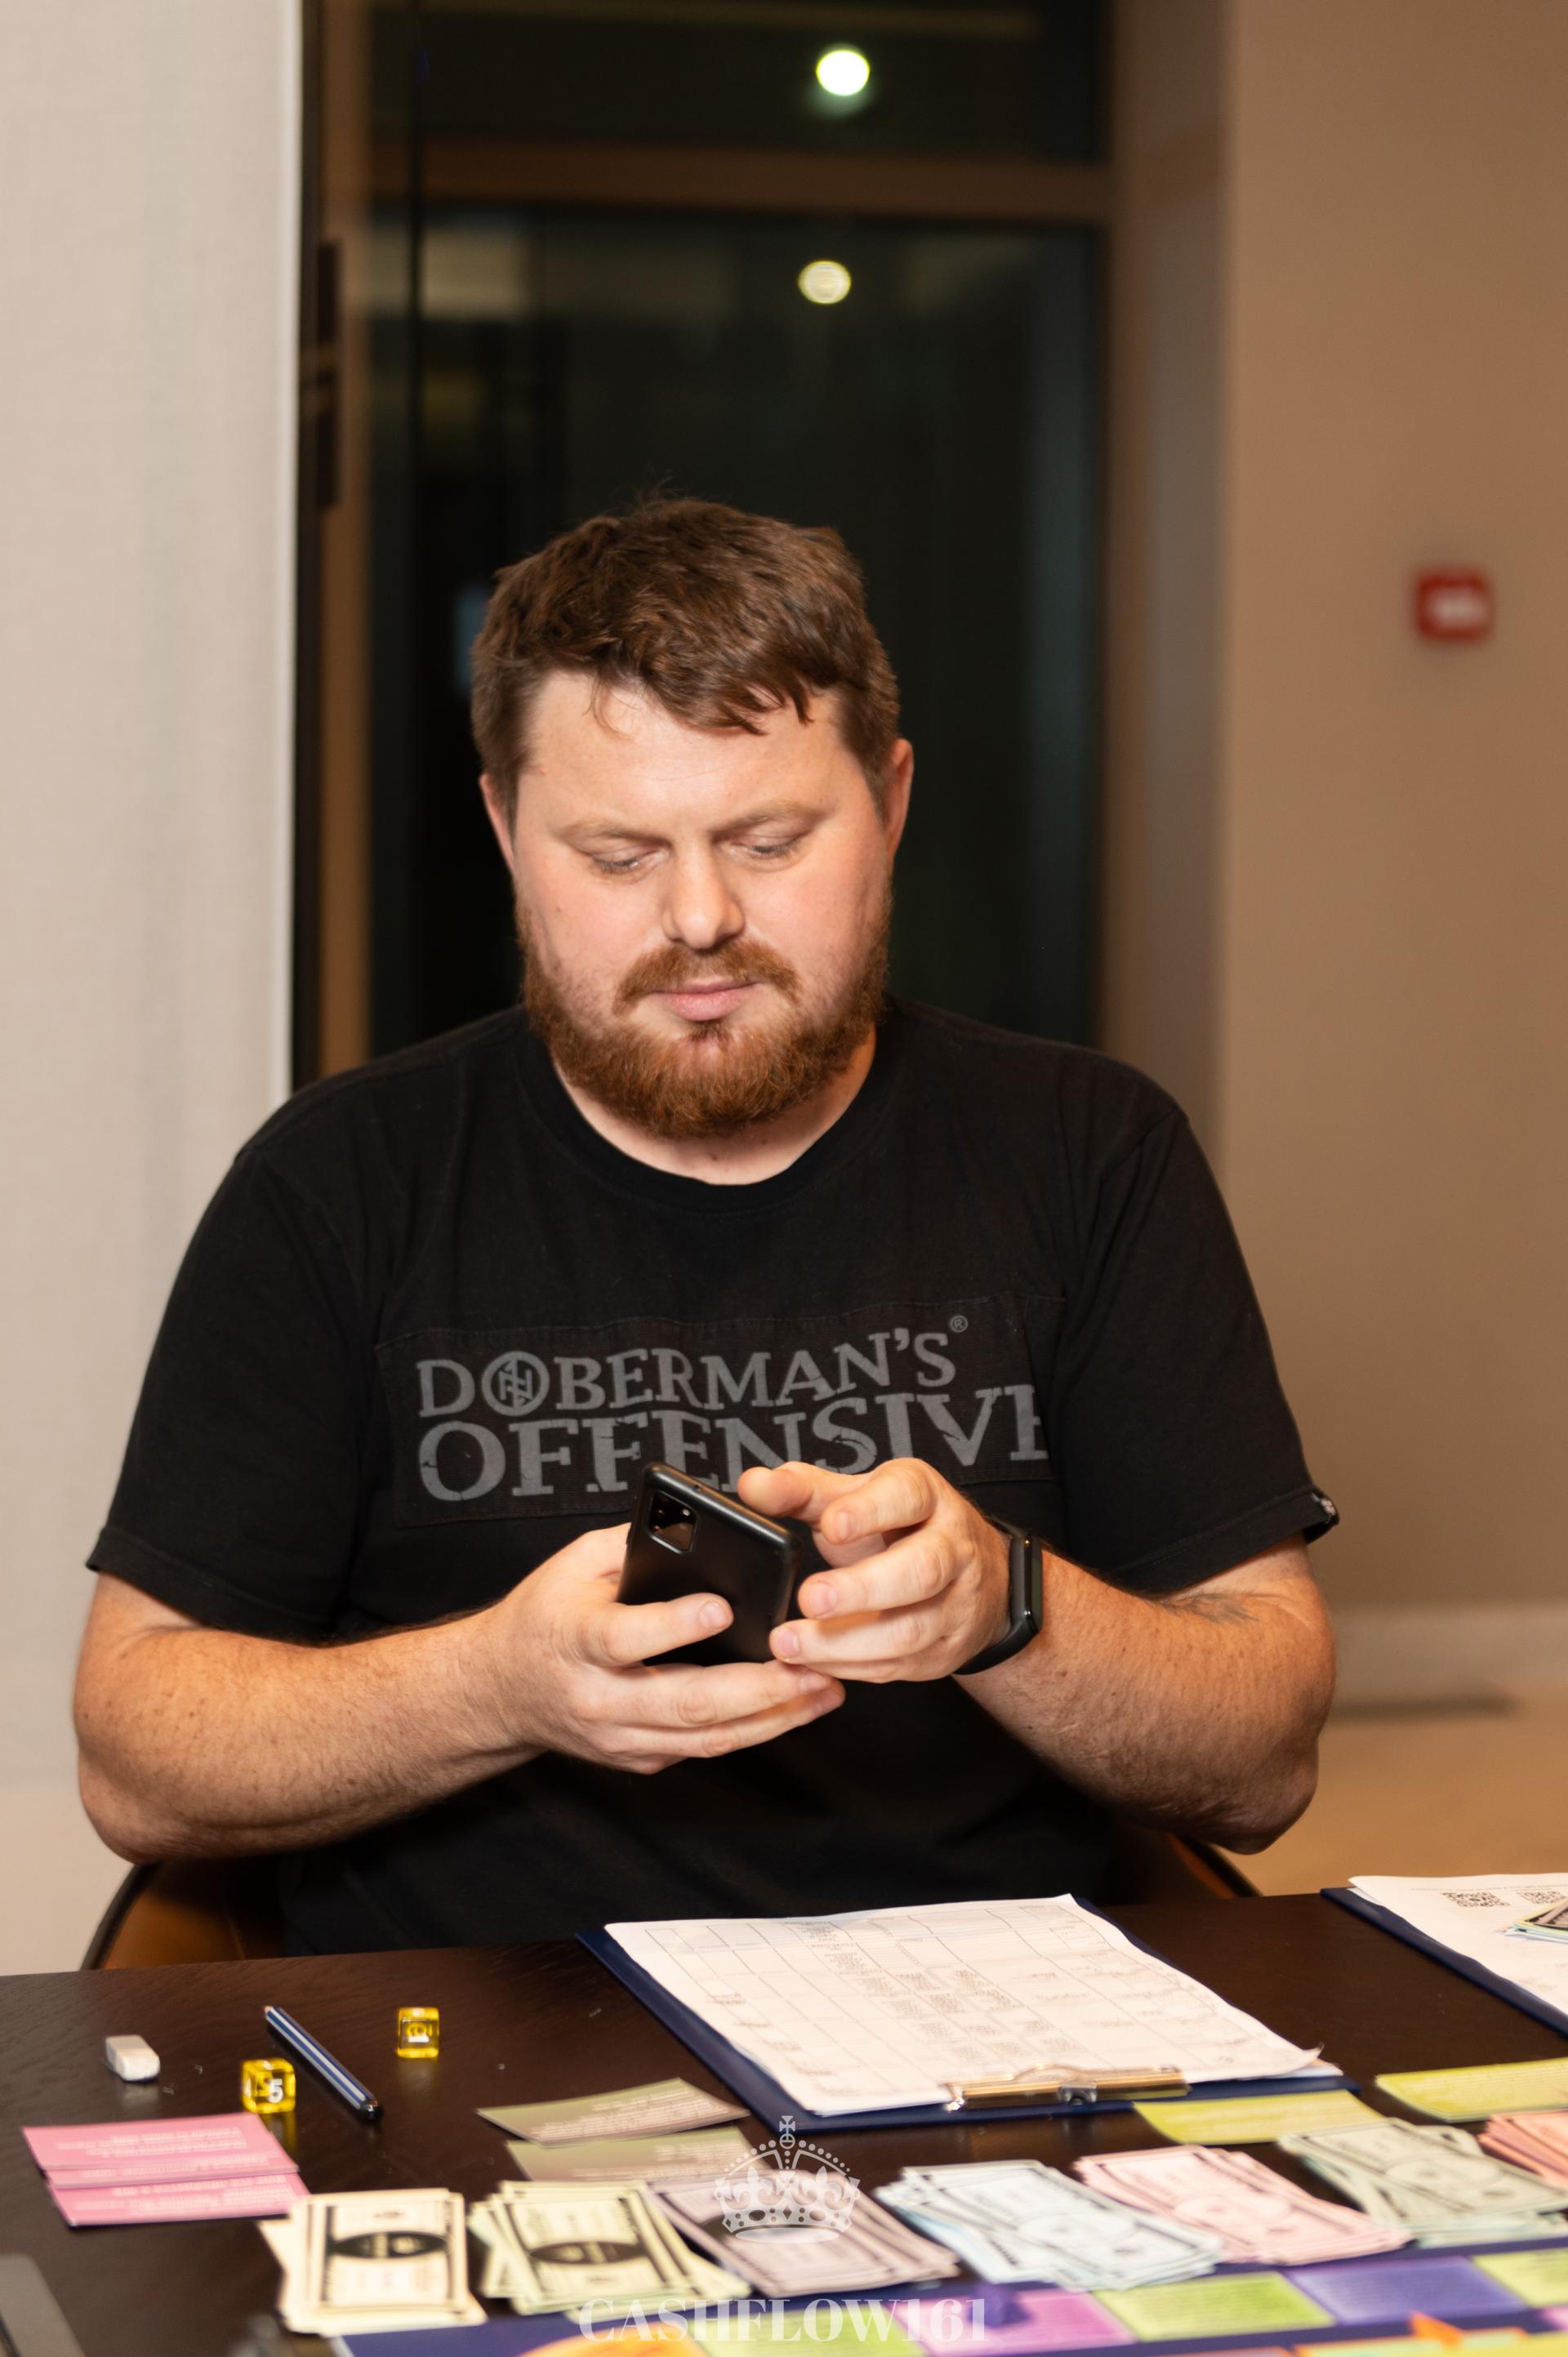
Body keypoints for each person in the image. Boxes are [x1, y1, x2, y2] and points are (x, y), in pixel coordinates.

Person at [74, 498, 1337, 1954]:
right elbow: (136, 1754)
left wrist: (1008, 1606)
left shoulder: (1088, 1152)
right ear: (505, 830)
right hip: (472, 2028)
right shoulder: (339, 1183)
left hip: (982, 2021)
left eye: (769, 840)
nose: (698, 918)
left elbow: (1263, 1762)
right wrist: (496, 1685)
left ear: (893, 803)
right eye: (618, 854)